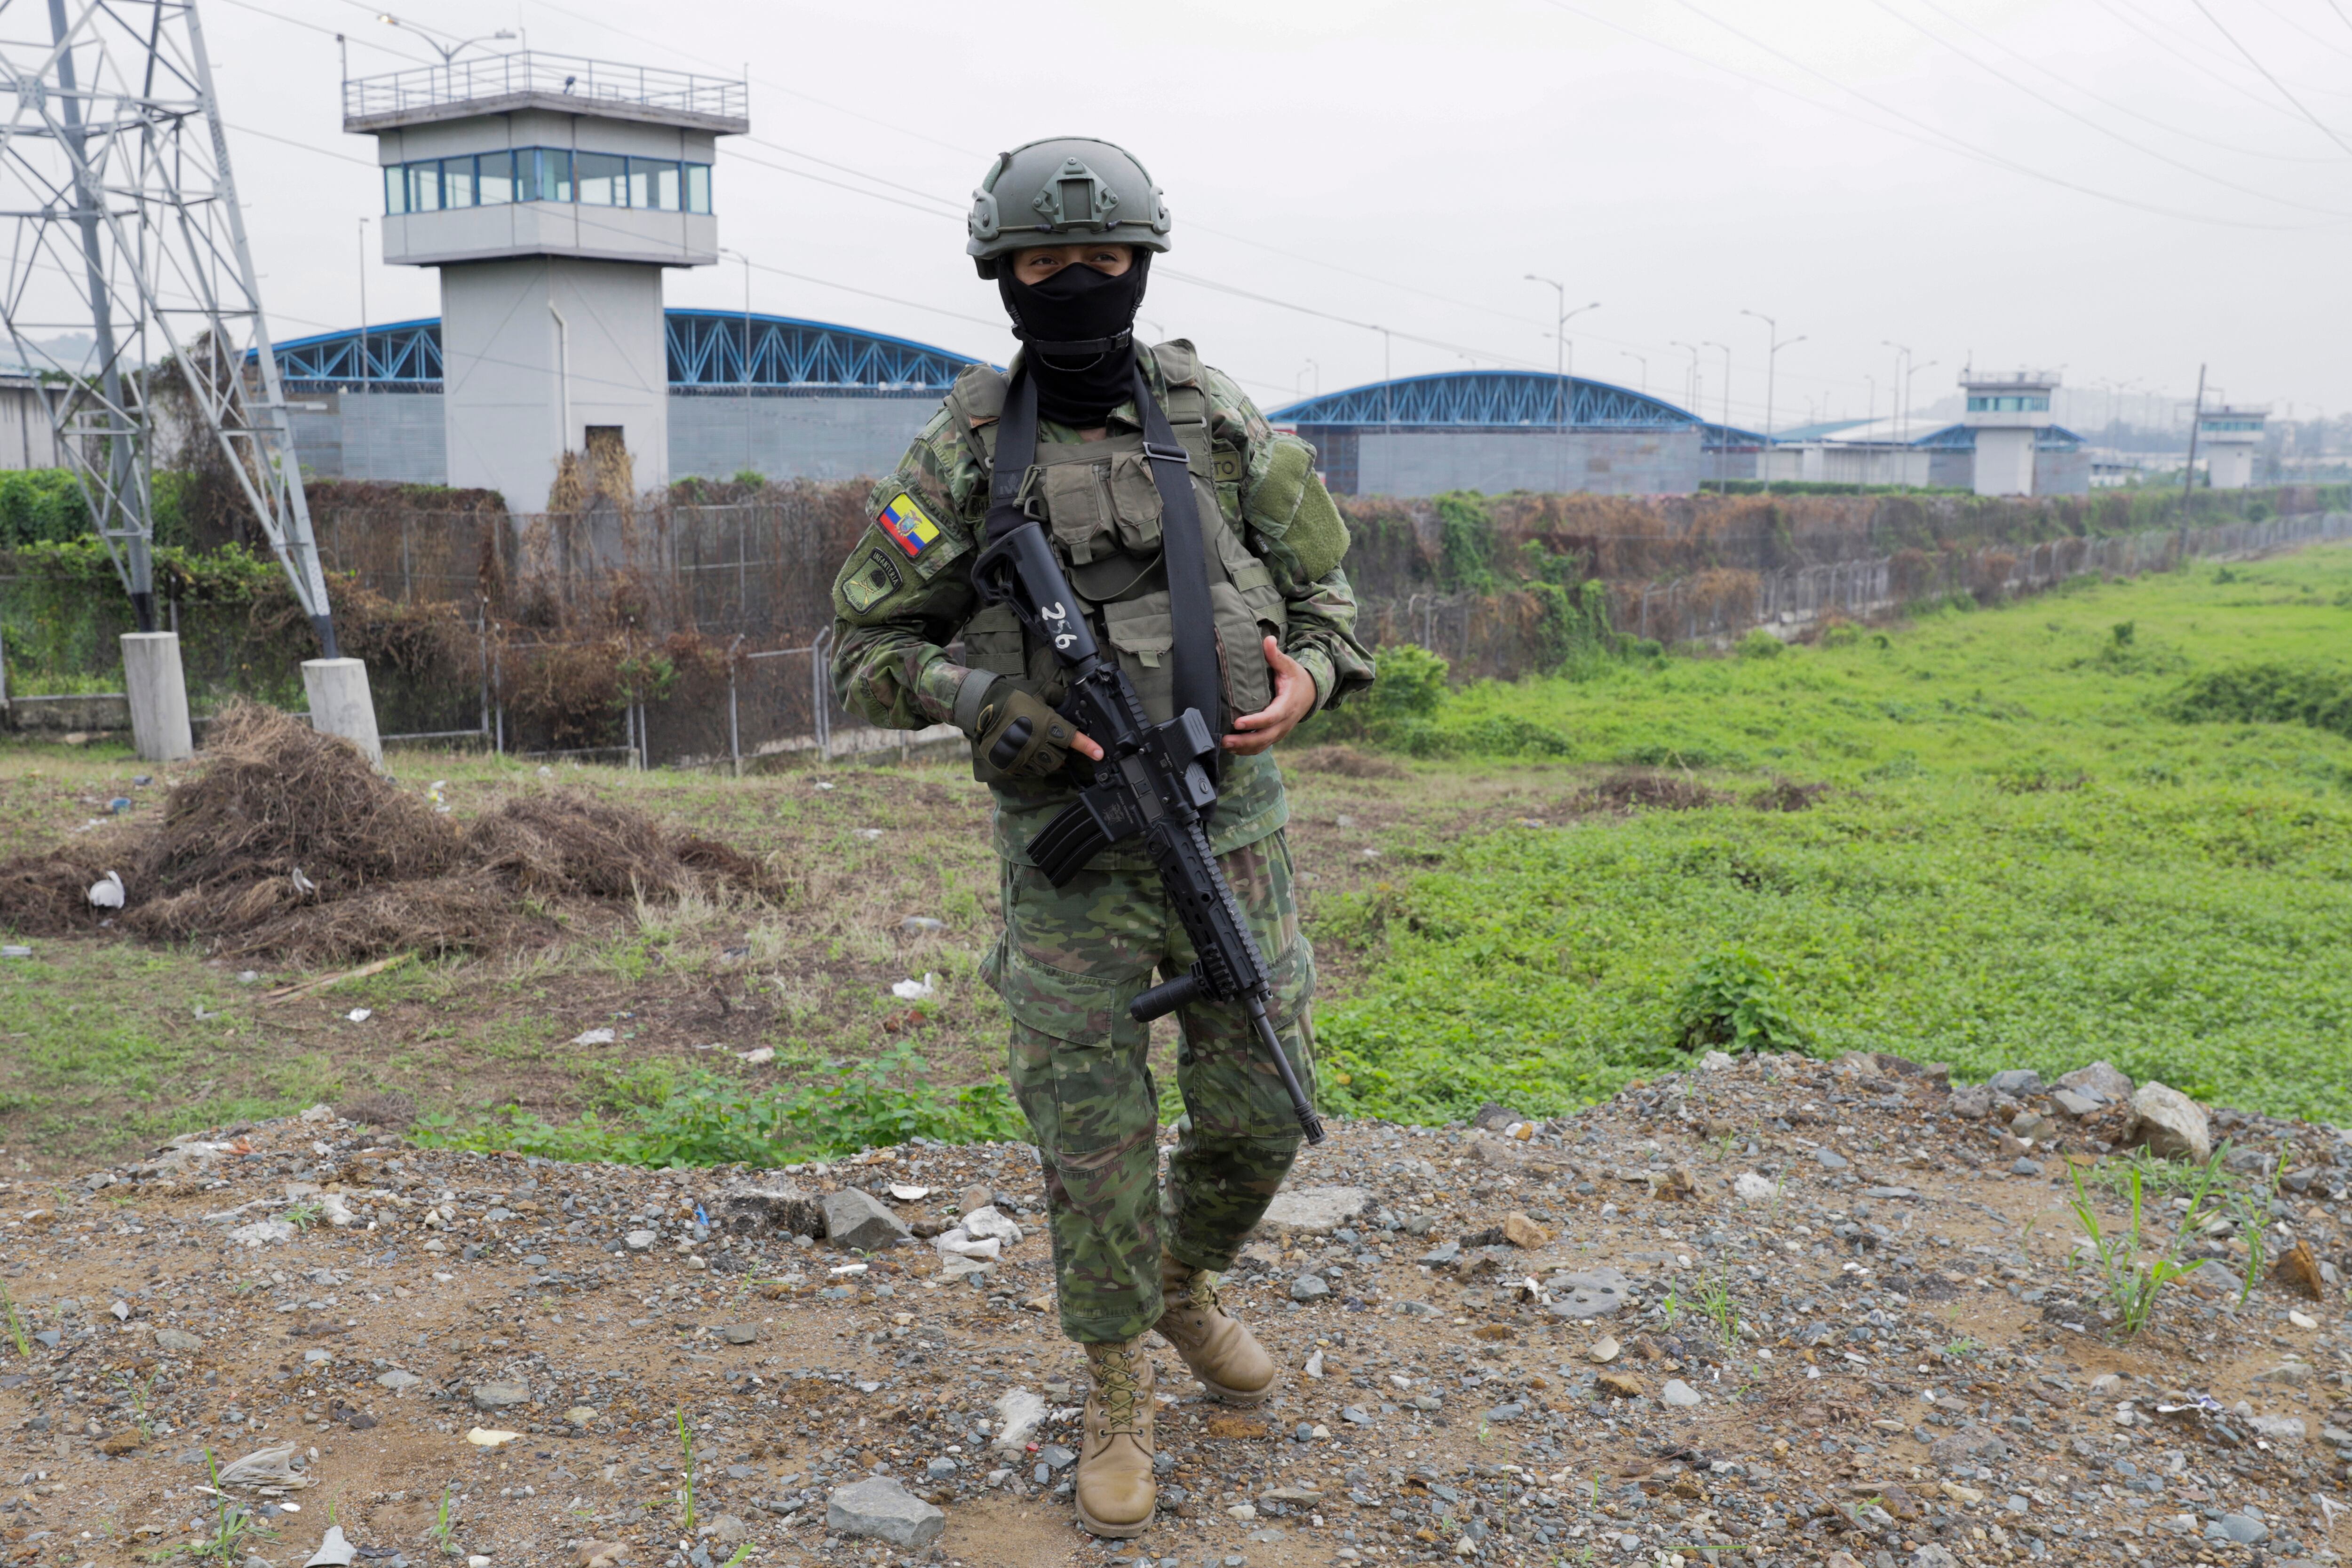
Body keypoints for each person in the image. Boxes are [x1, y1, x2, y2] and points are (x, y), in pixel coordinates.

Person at [829, 135, 1375, 1539]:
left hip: (1231, 828)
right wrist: (970, 698)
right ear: (1000, 275)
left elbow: (1332, 603)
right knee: (1095, 1139)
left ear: (1144, 262)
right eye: (1043, 263)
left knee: (1262, 1115)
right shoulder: (960, 451)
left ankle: (1184, 1282)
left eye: (1103, 259)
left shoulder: (1217, 418)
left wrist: (1311, 676)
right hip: (1066, 847)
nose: (1075, 282)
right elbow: (861, 642)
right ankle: (1120, 1386)